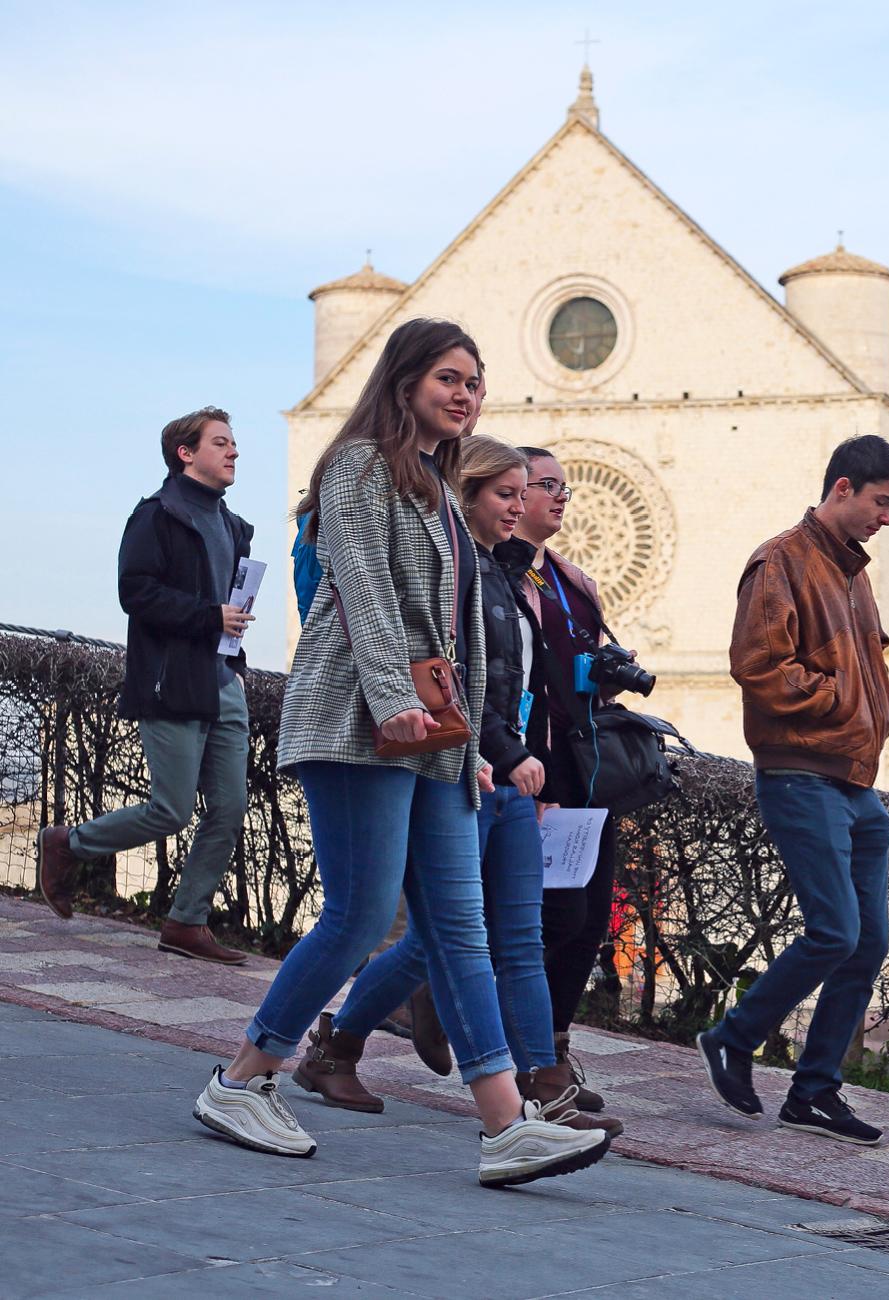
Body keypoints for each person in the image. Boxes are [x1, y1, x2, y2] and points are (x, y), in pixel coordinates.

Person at [191, 318, 609, 1186]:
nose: (466, 395)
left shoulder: (438, 488)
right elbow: (366, 591)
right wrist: (395, 704)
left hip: (436, 742)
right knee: (358, 914)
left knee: (460, 926)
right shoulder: (358, 467)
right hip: (358, 724)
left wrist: (475, 745)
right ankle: (242, 1078)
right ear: (407, 379)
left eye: (476, 382)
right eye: (450, 378)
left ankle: (506, 1127)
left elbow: (461, 635)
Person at [295, 436, 619, 1139]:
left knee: (504, 936)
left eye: (523, 491)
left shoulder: (512, 577)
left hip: (507, 772)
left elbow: (513, 685)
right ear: (468, 495)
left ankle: (537, 1088)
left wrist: (528, 763)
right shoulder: (460, 574)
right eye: (513, 491)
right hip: (465, 768)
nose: (531, 501)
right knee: (433, 932)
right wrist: (496, 752)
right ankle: (287, 1056)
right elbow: (458, 683)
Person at [696, 434, 889, 1146]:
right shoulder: (781, 560)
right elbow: (758, 666)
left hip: (856, 784)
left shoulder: (853, 573)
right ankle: (734, 1036)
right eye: (882, 502)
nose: (888, 517)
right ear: (844, 488)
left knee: (868, 941)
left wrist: (856, 711)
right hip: (800, 773)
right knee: (835, 931)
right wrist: (840, 702)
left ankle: (815, 1090)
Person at [37, 408, 254, 965]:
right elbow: (135, 591)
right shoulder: (157, 514)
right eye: (221, 443)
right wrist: (210, 616)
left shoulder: (231, 524)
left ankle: (186, 922)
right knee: (171, 810)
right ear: (186, 452)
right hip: (172, 682)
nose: (234, 452)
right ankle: (67, 845)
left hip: (224, 681)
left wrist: (230, 643)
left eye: (234, 444)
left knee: (229, 809)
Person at [513, 447, 621, 1116]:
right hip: (525, 772)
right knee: (542, 919)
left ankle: (551, 1051)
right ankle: (346, 1037)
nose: (559, 497)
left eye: (563, 488)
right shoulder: (492, 575)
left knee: (586, 921)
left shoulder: (574, 581)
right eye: (543, 485)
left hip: (585, 772)